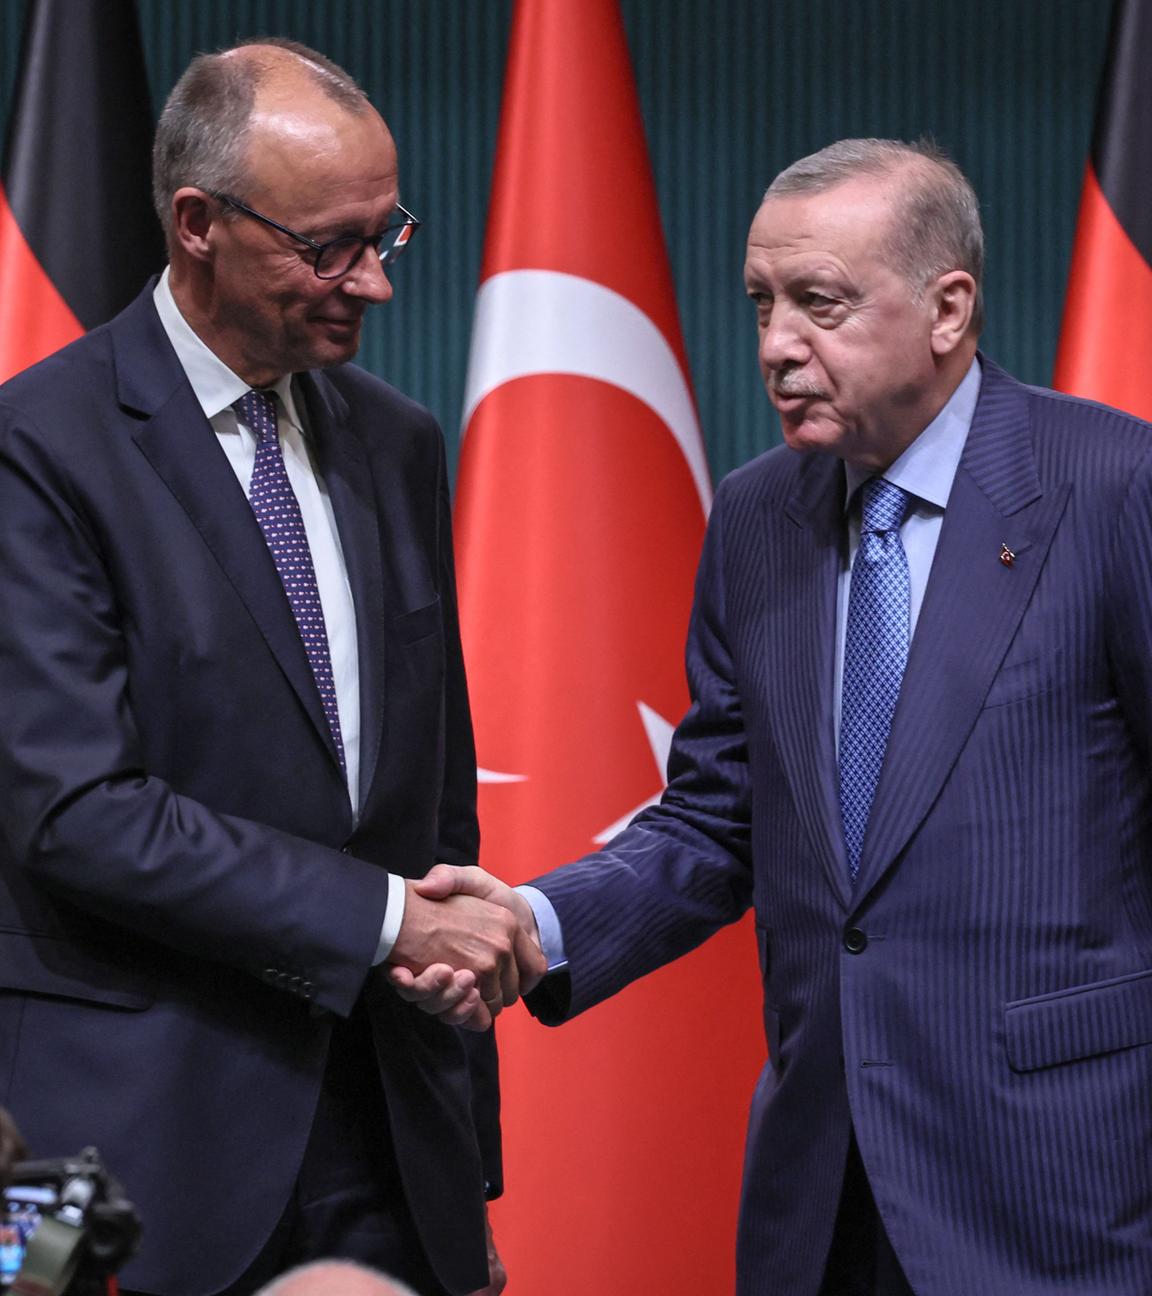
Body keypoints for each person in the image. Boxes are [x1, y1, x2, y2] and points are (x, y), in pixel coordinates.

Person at [395, 138, 1152, 1295]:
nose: (776, 346)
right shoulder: (756, 519)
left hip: (1066, 1186)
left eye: (820, 305)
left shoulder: (1110, 487)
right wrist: (540, 924)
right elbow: (719, 816)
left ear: (949, 308)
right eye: (761, 304)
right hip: (826, 1188)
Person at [0, 38, 542, 1296]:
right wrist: (390, 917)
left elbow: (433, 807)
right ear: (197, 224)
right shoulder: (39, 450)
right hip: (119, 1158)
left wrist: (466, 1171)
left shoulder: (395, 445)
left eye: (386, 234)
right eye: (328, 247)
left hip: (386, 1153)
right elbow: (78, 813)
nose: (374, 282)